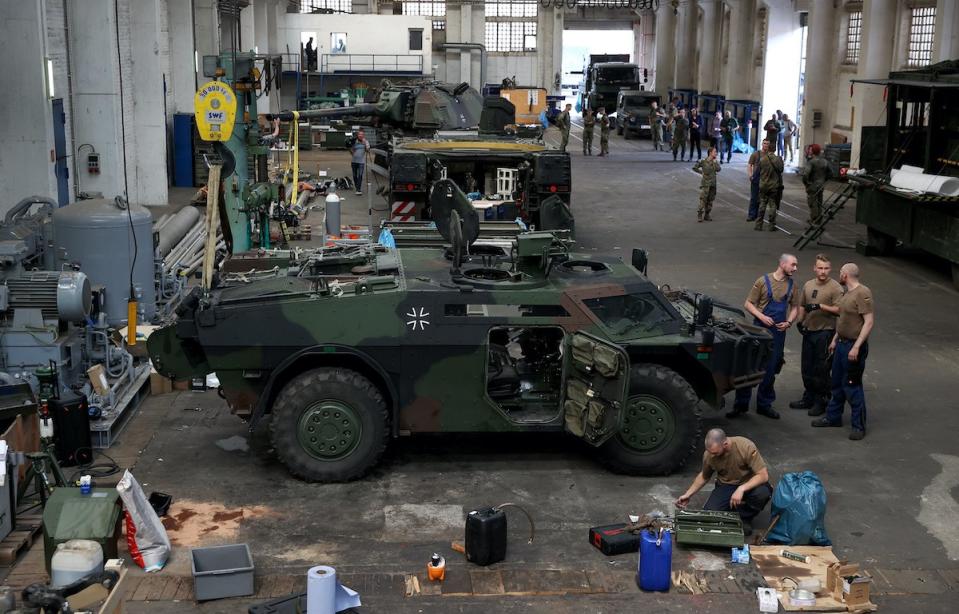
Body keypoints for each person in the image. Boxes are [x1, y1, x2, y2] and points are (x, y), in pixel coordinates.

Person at [729, 254, 801, 420]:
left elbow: (795, 308)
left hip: (777, 334)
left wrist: (789, 322)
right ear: (782, 264)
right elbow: (748, 304)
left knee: (771, 368)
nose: (795, 268)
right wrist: (761, 317)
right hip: (759, 331)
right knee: (749, 367)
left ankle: (764, 404)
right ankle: (741, 405)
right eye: (793, 265)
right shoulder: (763, 281)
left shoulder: (792, 286)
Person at [812, 263, 874, 440]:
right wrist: (835, 340)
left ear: (846, 275)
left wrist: (856, 346)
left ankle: (858, 426)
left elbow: (868, 322)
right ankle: (833, 417)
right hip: (841, 345)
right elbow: (845, 320)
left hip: (853, 347)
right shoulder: (848, 294)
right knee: (836, 383)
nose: (839, 275)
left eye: (840, 273)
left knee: (852, 385)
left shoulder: (863, 293)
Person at [675, 428, 772, 536]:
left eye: (715, 453)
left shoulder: (745, 446)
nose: (712, 456)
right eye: (710, 452)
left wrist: (741, 489)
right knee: (710, 516)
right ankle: (732, 514)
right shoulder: (709, 454)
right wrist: (688, 494)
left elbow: (763, 475)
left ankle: (744, 518)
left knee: (762, 493)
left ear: (725, 444)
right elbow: (704, 476)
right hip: (726, 485)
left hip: (748, 483)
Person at [790, 254, 843, 416]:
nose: (823, 271)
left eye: (826, 268)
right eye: (820, 268)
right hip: (809, 332)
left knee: (822, 369)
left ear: (830, 269)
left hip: (825, 332)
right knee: (807, 366)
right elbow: (802, 305)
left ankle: (822, 401)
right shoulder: (808, 285)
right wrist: (800, 322)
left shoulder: (835, 288)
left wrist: (821, 306)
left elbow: (840, 310)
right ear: (814, 268)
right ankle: (809, 397)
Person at [755, 140, 785, 231]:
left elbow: (758, 171)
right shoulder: (778, 159)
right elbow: (781, 170)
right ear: (775, 149)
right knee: (772, 204)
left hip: (763, 185)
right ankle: (771, 225)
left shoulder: (762, 159)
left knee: (762, 203)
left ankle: (758, 224)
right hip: (773, 186)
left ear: (768, 149)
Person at [802, 144, 832, 224]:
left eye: (810, 149)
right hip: (821, 184)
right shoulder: (825, 161)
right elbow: (831, 173)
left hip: (812, 185)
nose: (809, 151)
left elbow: (805, 175)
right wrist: (824, 179)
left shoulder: (811, 162)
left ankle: (814, 220)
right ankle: (819, 219)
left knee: (812, 202)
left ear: (813, 151)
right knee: (819, 202)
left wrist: (806, 183)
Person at [693, 147, 721, 222]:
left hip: (713, 184)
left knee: (710, 200)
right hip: (705, 184)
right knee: (703, 199)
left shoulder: (715, 162)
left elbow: (719, 169)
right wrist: (701, 172)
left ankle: (707, 215)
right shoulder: (703, 161)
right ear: (710, 153)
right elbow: (695, 167)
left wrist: (715, 162)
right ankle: (700, 214)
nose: (716, 153)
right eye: (715, 152)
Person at [746, 140, 766, 222]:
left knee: (762, 199)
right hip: (756, 179)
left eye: (768, 144)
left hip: (765, 179)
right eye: (765, 143)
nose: (766, 145)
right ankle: (751, 215)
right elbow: (749, 165)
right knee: (754, 198)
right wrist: (750, 175)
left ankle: (759, 215)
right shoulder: (755, 154)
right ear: (762, 144)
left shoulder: (770, 155)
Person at [350, 129, 369, 195]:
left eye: (362, 134)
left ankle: (358, 189)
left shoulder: (365, 141)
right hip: (354, 161)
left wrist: (365, 144)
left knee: (360, 175)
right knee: (355, 176)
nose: (360, 135)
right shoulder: (354, 141)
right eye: (359, 134)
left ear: (363, 135)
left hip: (361, 162)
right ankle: (357, 187)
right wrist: (353, 152)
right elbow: (351, 150)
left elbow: (368, 150)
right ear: (357, 135)